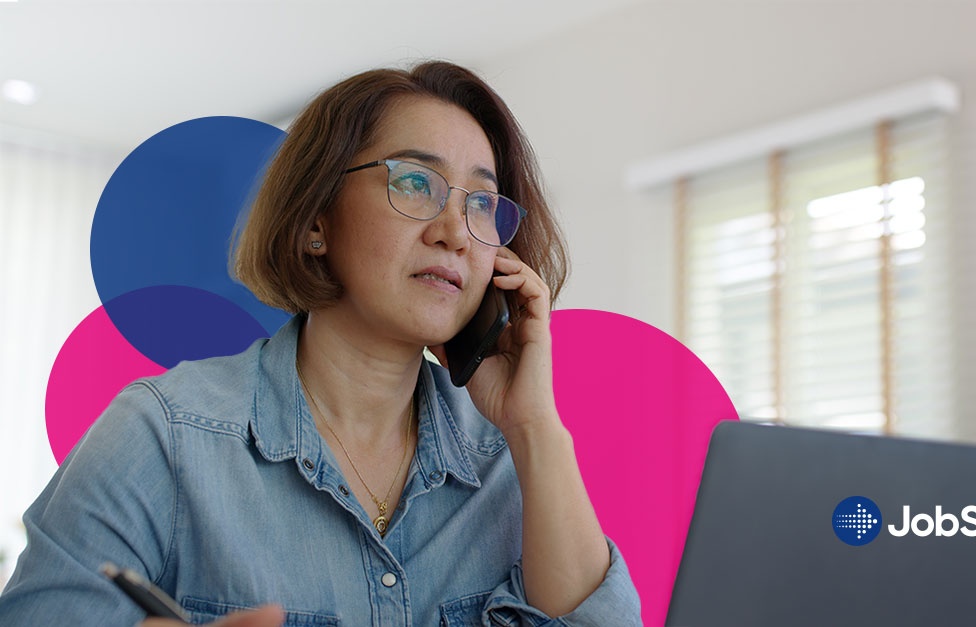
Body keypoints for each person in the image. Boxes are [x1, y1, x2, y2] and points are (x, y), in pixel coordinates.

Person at [0, 61, 642, 626]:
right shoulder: (162, 435)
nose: (455, 230)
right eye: (415, 182)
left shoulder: (508, 459)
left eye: (482, 202)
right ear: (315, 222)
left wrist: (535, 429)